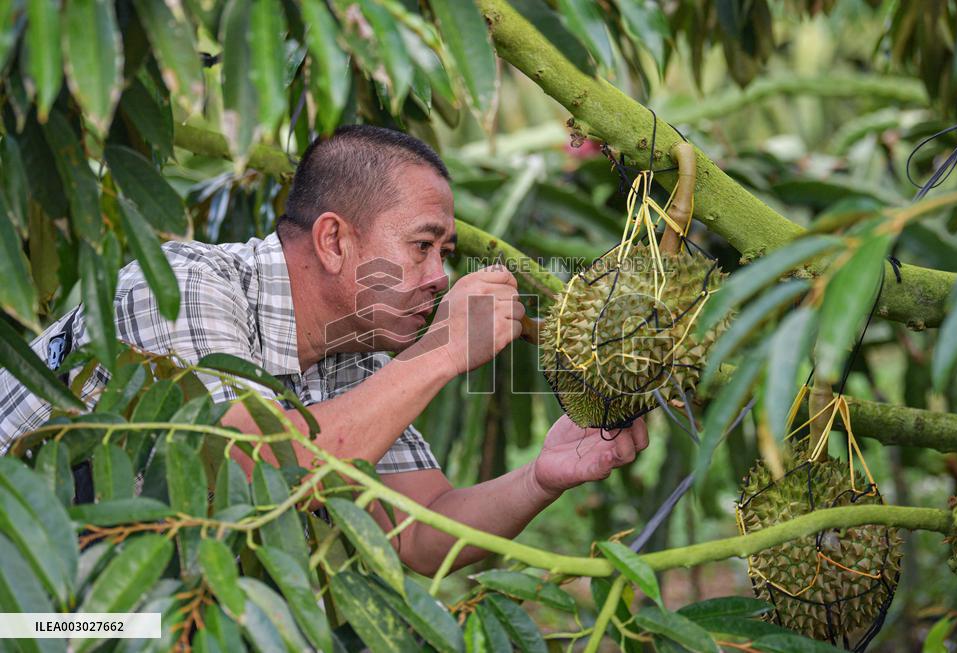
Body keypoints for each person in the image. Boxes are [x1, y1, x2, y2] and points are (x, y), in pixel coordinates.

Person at [0, 125, 648, 575]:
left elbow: (421, 531)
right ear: (335, 242)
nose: (439, 276)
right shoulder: (184, 284)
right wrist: (443, 351)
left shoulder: (356, 353)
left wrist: (544, 474)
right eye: (422, 246)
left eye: (445, 254)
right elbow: (245, 472)